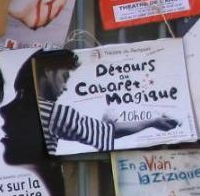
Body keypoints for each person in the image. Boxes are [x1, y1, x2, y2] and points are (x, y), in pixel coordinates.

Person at [35, 58, 180, 152]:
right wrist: (153, 122)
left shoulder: (16, 110)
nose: (65, 86)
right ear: (48, 71)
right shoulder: (53, 113)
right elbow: (107, 131)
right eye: (64, 77)